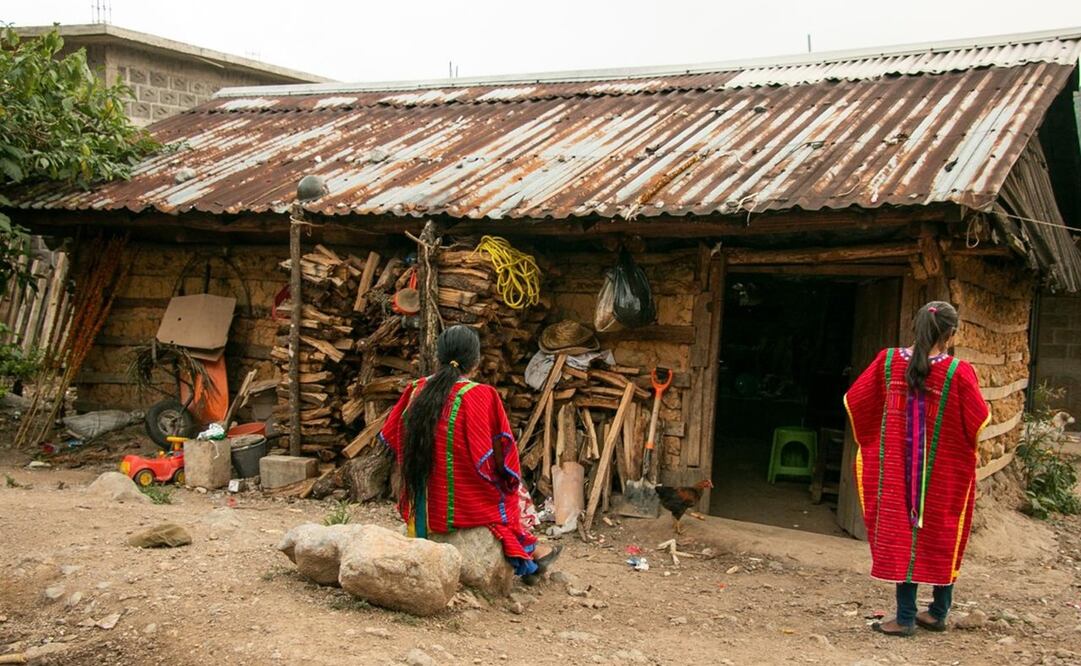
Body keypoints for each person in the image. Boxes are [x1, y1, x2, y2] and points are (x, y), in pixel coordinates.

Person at [844, 301, 990, 636]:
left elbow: (857, 400)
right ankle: (938, 612)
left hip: (896, 471)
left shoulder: (888, 362)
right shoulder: (959, 373)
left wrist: (878, 441)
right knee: (943, 532)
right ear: (951, 334)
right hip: (944, 473)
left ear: (916, 327)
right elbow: (978, 419)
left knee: (902, 533)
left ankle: (905, 617)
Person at [380, 325, 561, 584]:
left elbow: (392, 438)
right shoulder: (481, 396)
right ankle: (530, 551)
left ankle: (530, 555)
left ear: (438, 357)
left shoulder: (415, 389)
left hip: (420, 506)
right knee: (513, 492)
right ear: (475, 362)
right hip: (464, 506)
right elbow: (500, 457)